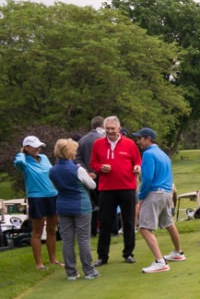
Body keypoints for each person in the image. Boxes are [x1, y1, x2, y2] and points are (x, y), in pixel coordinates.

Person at [89, 116, 142, 266]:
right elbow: (93, 163)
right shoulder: (98, 144)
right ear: (104, 129)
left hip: (127, 187)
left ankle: (128, 253)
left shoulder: (129, 144)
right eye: (108, 129)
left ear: (119, 128)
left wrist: (137, 167)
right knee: (105, 223)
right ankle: (102, 256)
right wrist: (100, 168)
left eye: (113, 128)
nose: (110, 131)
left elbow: (137, 160)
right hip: (107, 188)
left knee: (129, 221)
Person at [133, 128, 186, 273]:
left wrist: (141, 197)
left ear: (148, 138)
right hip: (166, 193)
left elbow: (148, 178)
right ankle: (178, 252)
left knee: (144, 228)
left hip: (154, 193)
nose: (138, 142)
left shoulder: (149, 154)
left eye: (140, 139)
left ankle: (160, 261)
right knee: (169, 223)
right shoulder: (163, 154)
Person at [49, 138, 99, 280]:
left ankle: (71, 273)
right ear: (70, 152)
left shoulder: (52, 170)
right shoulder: (78, 169)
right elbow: (92, 185)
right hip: (80, 206)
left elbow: (56, 186)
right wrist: (90, 177)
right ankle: (89, 271)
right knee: (83, 239)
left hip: (63, 206)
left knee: (67, 240)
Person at [13, 135, 61, 270]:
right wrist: (22, 153)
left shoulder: (44, 158)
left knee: (52, 230)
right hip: (36, 198)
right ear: (26, 148)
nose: (38, 148)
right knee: (37, 232)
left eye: (39, 146)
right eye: (34, 147)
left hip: (52, 195)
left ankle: (53, 259)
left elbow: (51, 172)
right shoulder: (24, 161)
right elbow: (19, 163)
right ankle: (39, 263)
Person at [75, 115, 105, 235]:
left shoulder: (82, 140)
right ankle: (106, 229)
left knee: (91, 204)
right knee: (105, 204)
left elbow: (78, 158)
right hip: (102, 175)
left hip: (87, 176)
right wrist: (96, 171)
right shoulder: (103, 139)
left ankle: (92, 231)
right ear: (102, 126)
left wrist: (86, 171)